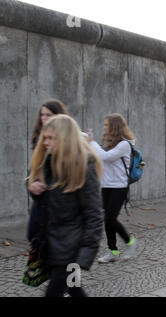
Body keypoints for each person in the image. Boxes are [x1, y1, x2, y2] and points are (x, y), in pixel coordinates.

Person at [27, 114, 103, 297]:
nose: (45, 142)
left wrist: (84, 256)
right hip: (52, 244)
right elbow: (42, 195)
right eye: (45, 137)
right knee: (74, 289)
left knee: (55, 293)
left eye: (50, 138)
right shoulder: (49, 161)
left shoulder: (84, 166)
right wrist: (33, 187)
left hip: (71, 251)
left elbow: (94, 215)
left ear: (64, 139)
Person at [88, 113, 137, 263]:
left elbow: (106, 157)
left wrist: (92, 143)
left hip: (119, 187)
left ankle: (130, 241)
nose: (104, 128)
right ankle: (113, 251)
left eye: (106, 125)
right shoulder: (109, 143)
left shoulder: (124, 144)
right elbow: (101, 158)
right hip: (106, 185)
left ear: (114, 127)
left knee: (110, 219)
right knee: (107, 220)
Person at [27, 100, 68, 243]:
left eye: (48, 115)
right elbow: (32, 171)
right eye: (42, 114)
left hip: (62, 202)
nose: (44, 118)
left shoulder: (68, 139)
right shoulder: (39, 138)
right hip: (42, 200)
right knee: (34, 235)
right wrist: (32, 184)